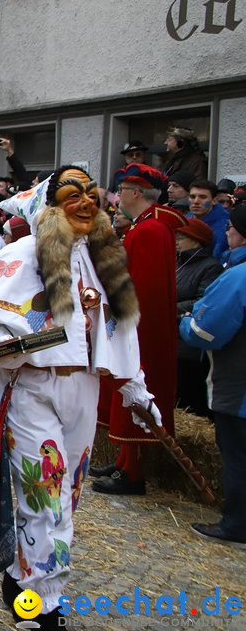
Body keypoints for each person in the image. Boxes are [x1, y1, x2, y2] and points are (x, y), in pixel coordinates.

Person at [0, 167, 156, 627]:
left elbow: (121, 331)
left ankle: (26, 574)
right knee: (43, 492)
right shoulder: (19, 256)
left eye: (91, 193)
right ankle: (40, 603)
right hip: (33, 389)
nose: (86, 203)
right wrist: (12, 345)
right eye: (72, 194)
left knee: (66, 493)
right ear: (49, 207)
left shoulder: (102, 260)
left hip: (83, 387)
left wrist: (135, 388)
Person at [93, 164, 182, 495]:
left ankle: (132, 472)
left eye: (123, 190)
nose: (117, 197)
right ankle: (124, 461)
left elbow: (138, 287)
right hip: (137, 325)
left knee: (133, 388)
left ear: (136, 193)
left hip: (137, 329)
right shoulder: (147, 226)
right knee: (125, 392)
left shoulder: (147, 231)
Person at [179, 203, 246, 548]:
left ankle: (236, 524)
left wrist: (186, 321)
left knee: (237, 454)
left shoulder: (237, 277)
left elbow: (207, 331)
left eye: (231, 227)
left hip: (239, 386)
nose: (227, 233)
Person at [173, 218, 221, 417]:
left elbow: (204, 301)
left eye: (181, 237)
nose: (176, 241)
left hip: (189, 342)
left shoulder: (210, 267)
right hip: (172, 335)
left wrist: (168, 308)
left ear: (196, 240)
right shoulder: (178, 262)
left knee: (189, 393)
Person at [187, 179, 229, 260]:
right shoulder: (184, 220)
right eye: (192, 197)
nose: (196, 201)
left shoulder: (224, 226)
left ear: (214, 201)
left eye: (202, 197)